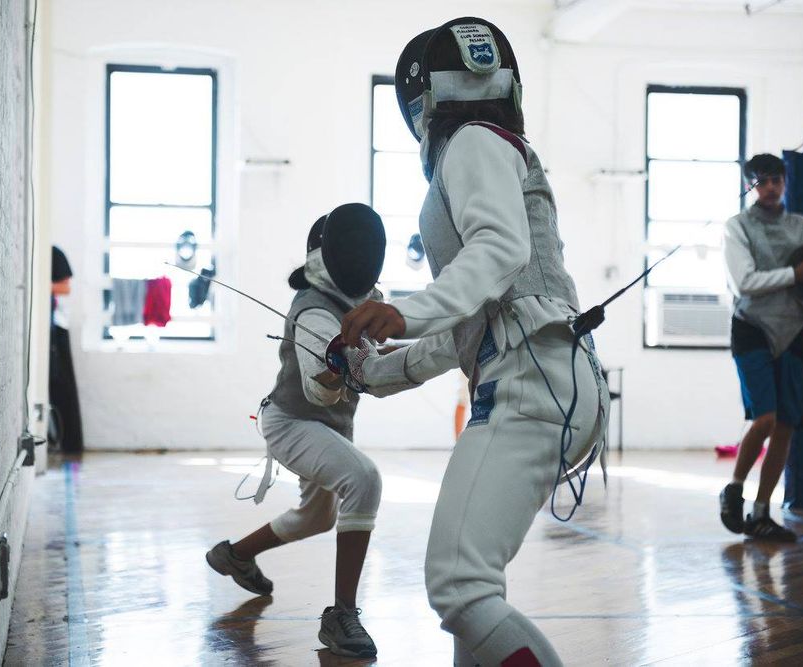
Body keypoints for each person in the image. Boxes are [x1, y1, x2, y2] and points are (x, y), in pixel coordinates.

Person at [339, 18, 609, 667]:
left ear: (424, 100)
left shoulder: (472, 143)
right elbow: (472, 323)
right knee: (475, 590)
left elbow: (500, 252)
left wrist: (403, 310)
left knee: (459, 584)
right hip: (537, 368)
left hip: (532, 372)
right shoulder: (493, 145)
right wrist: (379, 372)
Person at [205, 203, 386, 659]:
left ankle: (235, 555)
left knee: (317, 517)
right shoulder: (311, 311)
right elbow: (320, 383)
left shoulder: (365, 303)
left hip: (330, 428)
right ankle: (342, 614)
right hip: (293, 423)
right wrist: (336, 365)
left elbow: (382, 358)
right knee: (364, 480)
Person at [719, 153, 803, 541]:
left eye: (777, 179)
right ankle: (734, 489)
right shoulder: (738, 227)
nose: (771, 187)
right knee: (764, 419)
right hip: (753, 329)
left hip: (794, 331)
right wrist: (795, 274)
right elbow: (744, 281)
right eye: (762, 181)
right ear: (751, 186)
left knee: (785, 426)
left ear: (785, 182)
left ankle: (761, 513)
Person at [49, 246, 84, 453]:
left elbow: (65, 288)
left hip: (58, 327)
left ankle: (70, 445)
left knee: (63, 386)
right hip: (48, 326)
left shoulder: (54, 253)